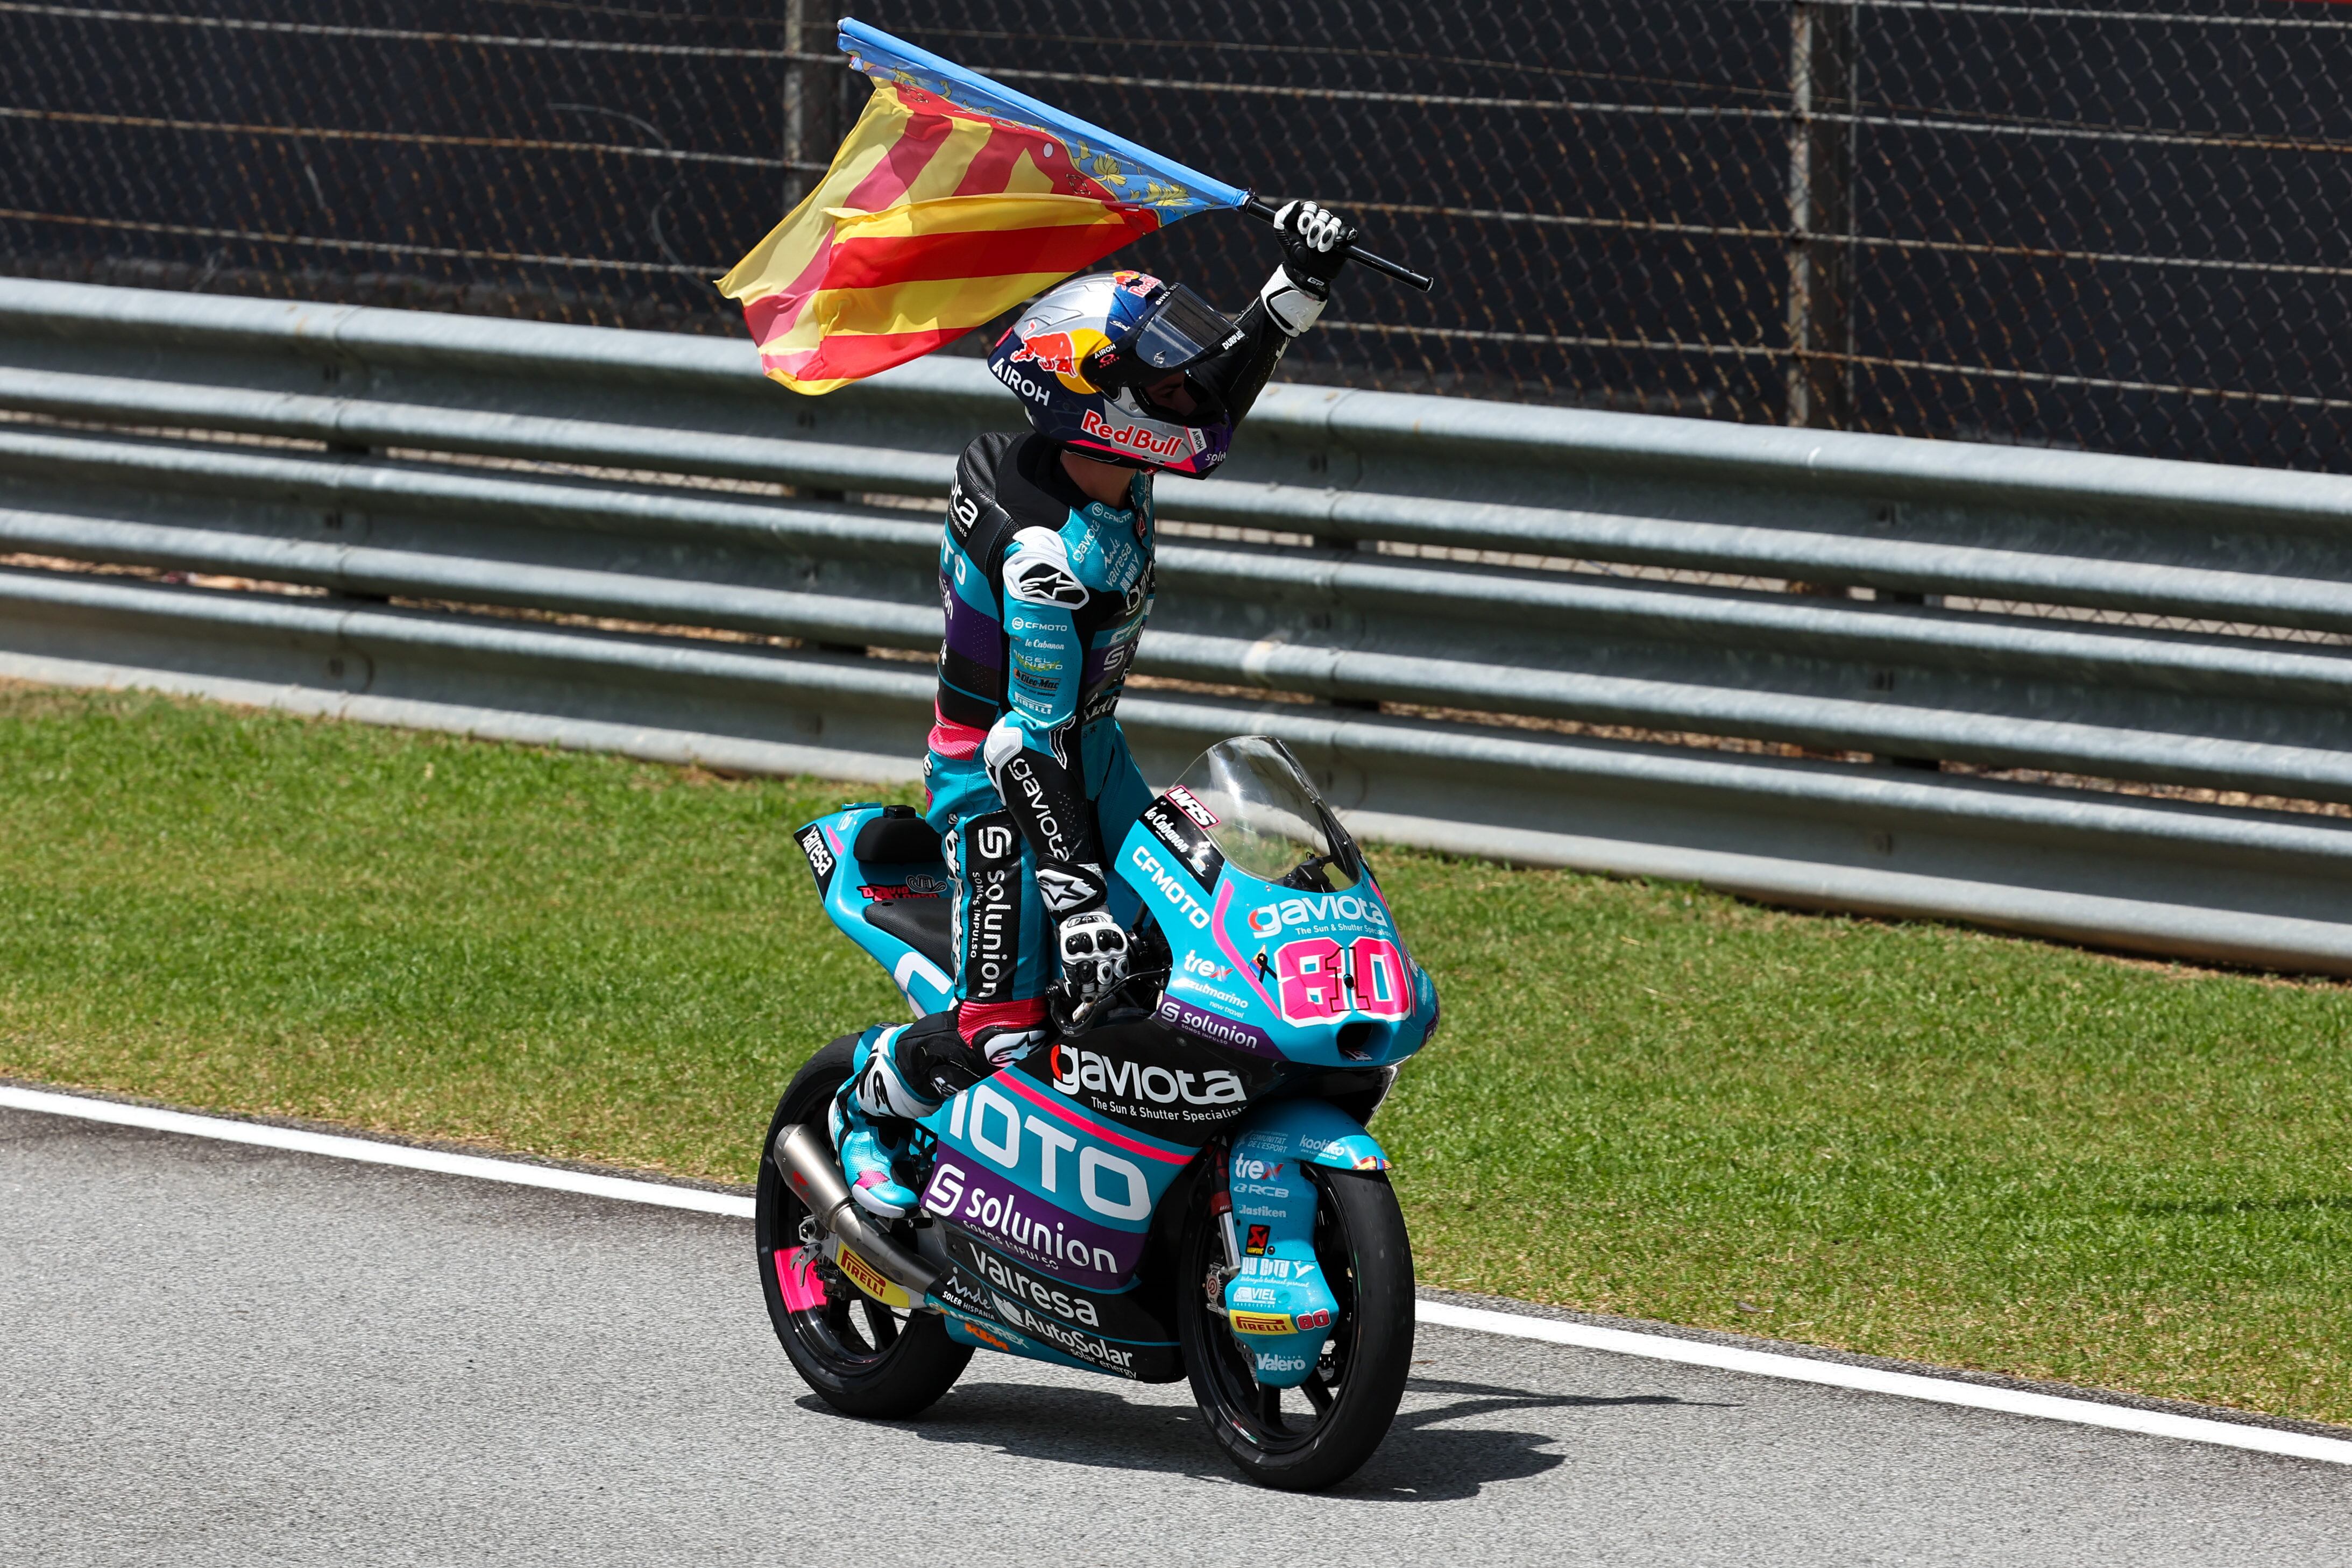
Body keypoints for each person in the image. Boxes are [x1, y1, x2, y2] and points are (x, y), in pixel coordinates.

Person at [831, 199, 1358, 1218]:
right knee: (1009, 1027)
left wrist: (1296, 287)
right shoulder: (1043, 558)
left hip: (1097, 755)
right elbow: (1025, 741)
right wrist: (1072, 898)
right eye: (1157, 380)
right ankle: (874, 1104)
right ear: (1095, 400)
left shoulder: (1106, 460)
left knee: (1197, 949)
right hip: (995, 781)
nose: (1186, 392)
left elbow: (1215, 389)